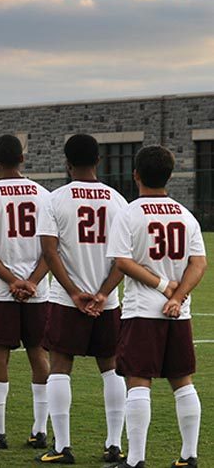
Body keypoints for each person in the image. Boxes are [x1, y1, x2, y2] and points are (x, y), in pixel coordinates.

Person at [106, 145, 206, 468]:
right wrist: (177, 298)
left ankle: (135, 460)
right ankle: (189, 455)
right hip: (178, 314)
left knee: (138, 380)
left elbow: (122, 261)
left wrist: (163, 287)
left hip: (142, 311)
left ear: (135, 175)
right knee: (182, 381)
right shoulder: (185, 215)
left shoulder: (130, 213)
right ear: (170, 176)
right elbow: (199, 263)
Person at [35, 134, 128, 464]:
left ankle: (62, 447)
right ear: (99, 162)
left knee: (60, 367)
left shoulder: (55, 199)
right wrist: (103, 293)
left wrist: (75, 293)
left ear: (66, 163)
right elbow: (123, 258)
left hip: (66, 299)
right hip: (108, 301)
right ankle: (114, 444)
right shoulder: (118, 200)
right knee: (112, 369)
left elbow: (49, 251)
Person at [0, 134, 51, 450]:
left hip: (0, 292)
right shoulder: (45, 196)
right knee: (39, 355)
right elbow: (51, 248)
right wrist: (31, 281)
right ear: (22, 160)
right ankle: (39, 430)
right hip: (38, 291)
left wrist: (12, 281)